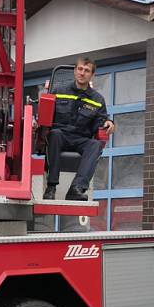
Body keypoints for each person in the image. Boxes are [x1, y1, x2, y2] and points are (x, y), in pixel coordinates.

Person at [43, 56, 114, 201]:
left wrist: (109, 122)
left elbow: (101, 122)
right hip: (60, 135)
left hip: (81, 139)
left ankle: (76, 189)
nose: (82, 73)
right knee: (54, 134)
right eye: (80, 69)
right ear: (75, 71)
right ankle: (51, 187)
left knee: (95, 145)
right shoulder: (57, 91)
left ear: (92, 75)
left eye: (87, 71)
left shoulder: (98, 100)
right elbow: (45, 116)